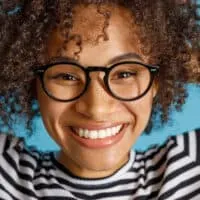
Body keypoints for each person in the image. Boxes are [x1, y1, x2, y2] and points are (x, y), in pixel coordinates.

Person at [0, 0, 200, 199]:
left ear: (156, 81)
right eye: (67, 77)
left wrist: (173, 59)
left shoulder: (188, 166)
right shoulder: (7, 172)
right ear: (32, 82)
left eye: (124, 74)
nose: (97, 109)